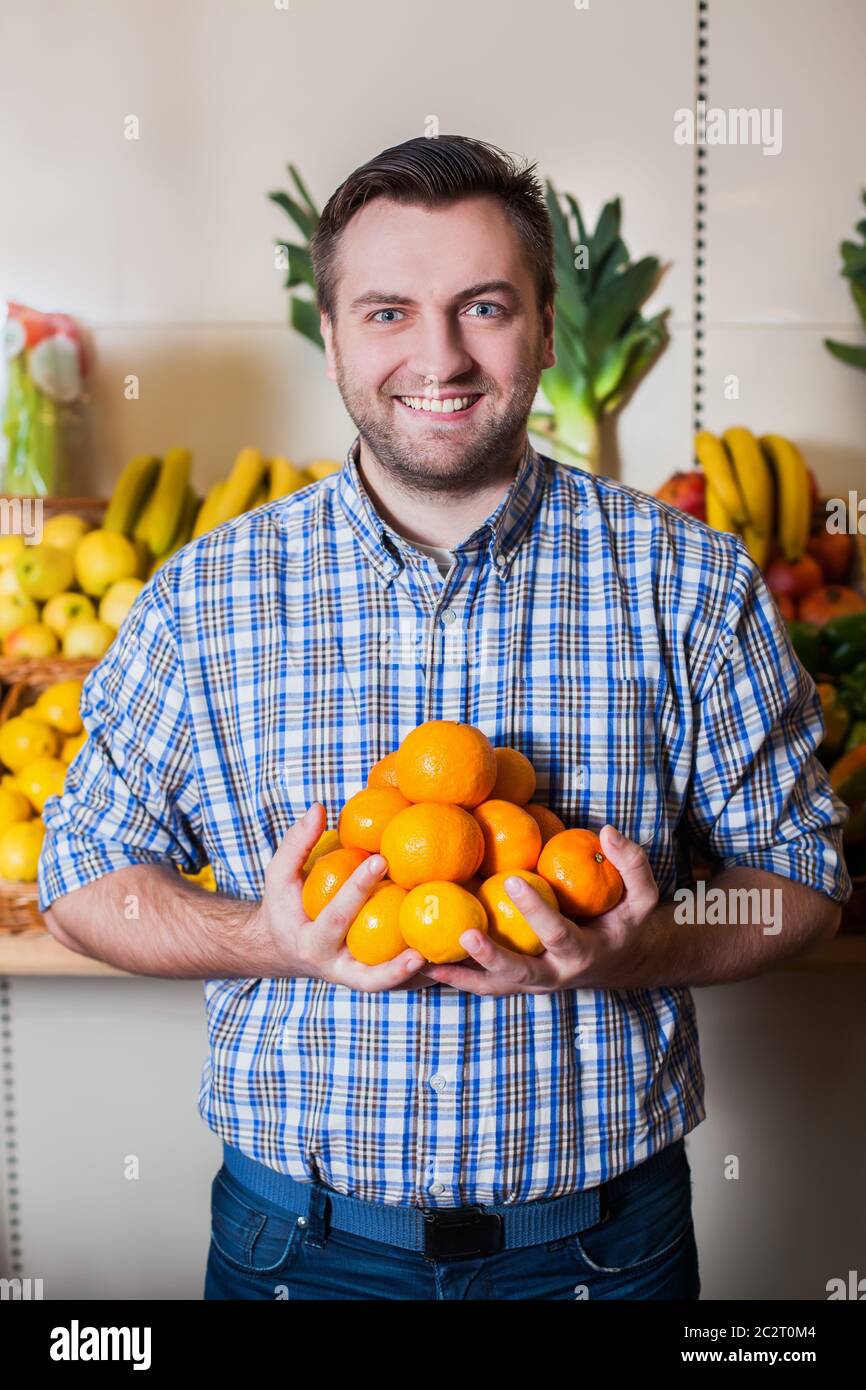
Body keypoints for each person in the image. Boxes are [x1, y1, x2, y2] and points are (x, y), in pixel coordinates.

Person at [38, 134, 852, 1302]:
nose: (438, 355)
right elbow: (80, 876)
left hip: (599, 1254)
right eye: (385, 312)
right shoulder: (205, 597)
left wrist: (640, 948)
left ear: (544, 327)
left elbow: (799, 878)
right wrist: (259, 941)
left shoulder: (692, 583)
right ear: (328, 340)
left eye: (483, 306)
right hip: (296, 1254)